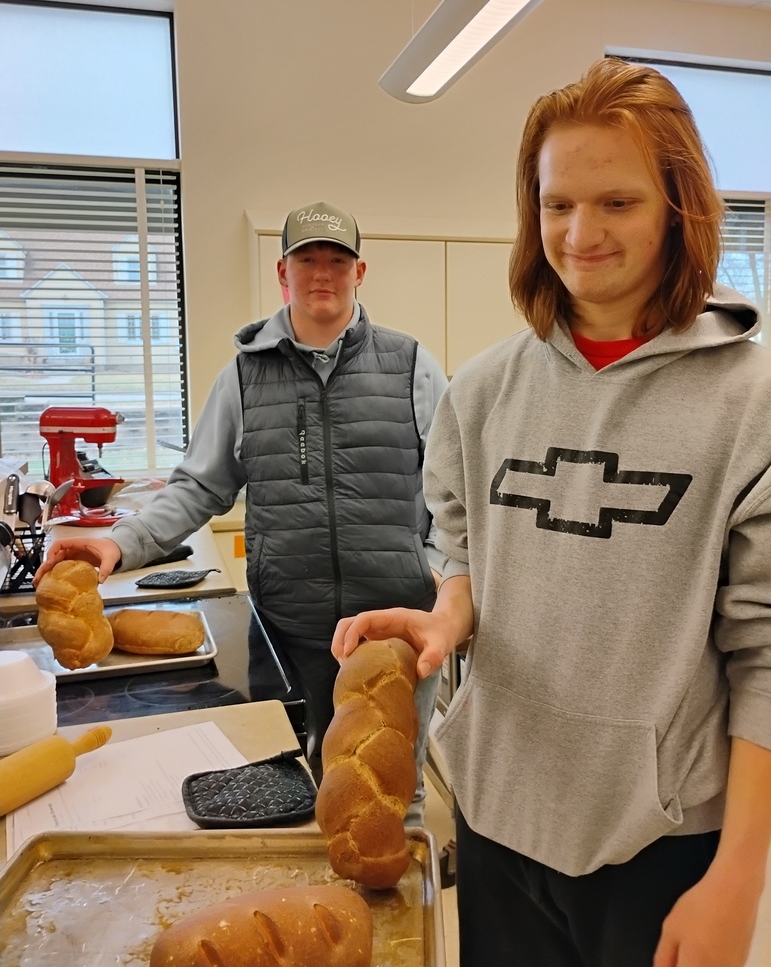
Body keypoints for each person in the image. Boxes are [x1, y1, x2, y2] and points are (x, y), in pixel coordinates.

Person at [333, 59, 771, 967]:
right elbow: (462, 546)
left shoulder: (750, 404)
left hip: (659, 843)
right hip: (494, 816)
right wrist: (447, 616)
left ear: (678, 208)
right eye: (556, 203)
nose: (580, 233)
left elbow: (765, 656)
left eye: (617, 202)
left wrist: (738, 875)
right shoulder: (485, 388)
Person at [35, 200, 448, 824]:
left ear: (360, 272)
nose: (322, 274)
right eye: (306, 259)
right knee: (311, 783)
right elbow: (200, 486)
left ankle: (401, 900)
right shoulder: (244, 375)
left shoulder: (412, 364)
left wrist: (442, 567)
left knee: (394, 791)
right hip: (294, 625)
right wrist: (118, 543)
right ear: (283, 272)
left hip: (395, 623)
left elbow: (453, 490)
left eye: (337, 260)